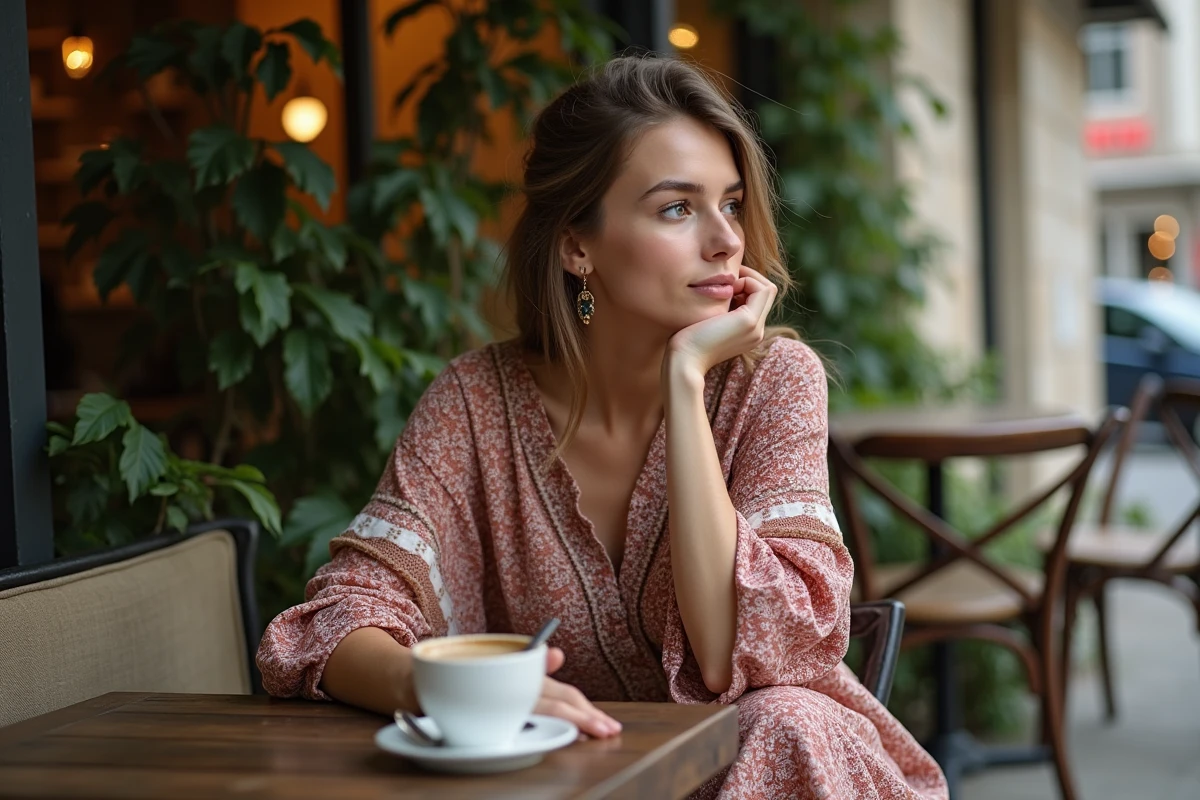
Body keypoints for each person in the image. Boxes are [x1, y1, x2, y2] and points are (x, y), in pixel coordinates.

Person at [257, 55, 948, 799]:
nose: (725, 240)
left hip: (787, 771)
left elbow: (733, 655)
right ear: (576, 246)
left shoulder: (771, 384)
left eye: (733, 203)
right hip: (578, 786)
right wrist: (437, 689)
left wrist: (686, 382)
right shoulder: (475, 404)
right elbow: (337, 619)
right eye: (677, 208)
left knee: (781, 720)